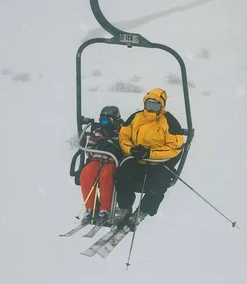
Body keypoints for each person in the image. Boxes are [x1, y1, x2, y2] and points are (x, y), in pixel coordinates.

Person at [113, 88, 185, 230]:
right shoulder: (136, 117)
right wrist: (131, 150)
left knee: (160, 183)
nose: (151, 109)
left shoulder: (170, 122)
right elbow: (124, 136)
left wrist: (150, 154)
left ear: (162, 106)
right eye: (149, 104)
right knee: (122, 174)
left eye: (156, 106)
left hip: (159, 163)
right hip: (137, 159)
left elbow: (175, 148)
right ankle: (124, 207)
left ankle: (144, 210)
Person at [79, 106, 124, 225]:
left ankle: (105, 209)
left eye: (108, 121)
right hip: (96, 159)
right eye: (102, 120)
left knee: (106, 176)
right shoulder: (97, 132)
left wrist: (114, 148)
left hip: (112, 161)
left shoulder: (122, 132)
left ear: (116, 120)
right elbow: (88, 150)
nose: (104, 123)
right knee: (86, 174)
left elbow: (125, 149)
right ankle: (90, 208)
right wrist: (98, 147)